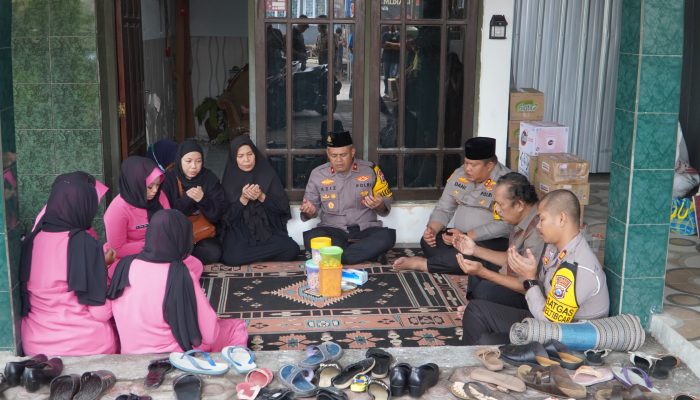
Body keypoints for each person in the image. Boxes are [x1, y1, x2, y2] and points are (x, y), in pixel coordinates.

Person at [462, 189, 610, 345]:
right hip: (546, 313)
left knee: (478, 320)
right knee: (486, 295)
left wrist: (530, 279)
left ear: (561, 219)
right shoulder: (555, 246)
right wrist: (526, 274)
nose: (538, 226)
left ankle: (472, 355)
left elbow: (550, 324)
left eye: (542, 219)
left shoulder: (576, 266)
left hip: (566, 338)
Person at [109, 209, 248, 354]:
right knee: (235, 327)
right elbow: (210, 334)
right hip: (174, 356)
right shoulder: (180, 274)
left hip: (130, 353)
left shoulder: (124, 266)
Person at [20, 178, 117, 356]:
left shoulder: (31, 241)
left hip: (36, 346)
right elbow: (101, 313)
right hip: (87, 345)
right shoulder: (84, 244)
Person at [393, 137, 511, 277]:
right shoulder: (459, 174)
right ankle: (452, 262)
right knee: (428, 242)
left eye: (473, 165)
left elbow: (506, 225)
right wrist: (432, 229)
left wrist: (468, 236)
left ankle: (422, 264)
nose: (467, 168)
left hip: (490, 242)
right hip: (459, 236)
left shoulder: (507, 182)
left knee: (468, 256)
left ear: (490, 166)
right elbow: (444, 208)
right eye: (466, 163)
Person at [301, 131, 396, 265]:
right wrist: (308, 211)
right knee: (312, 237)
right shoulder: (317, 174)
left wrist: (379, 205)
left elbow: (385, 205)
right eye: (334, 155)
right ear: (328, 154)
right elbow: (309, 208)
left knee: (387, 237)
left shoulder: (370, 170)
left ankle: (339, 256)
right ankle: (365, 254)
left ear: (352, 152)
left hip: (365, 229)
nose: (338, 160)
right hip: (333, 229)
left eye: (343, 155)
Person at [452, 172, 544, 309]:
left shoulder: (537, 230)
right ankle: (476, 307)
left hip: (533, 295)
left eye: (501, 205)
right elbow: (511, 259)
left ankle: (478, 309)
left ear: (519, 205)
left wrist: (484, 272)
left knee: (485, 289)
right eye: (496, 204)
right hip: (517, 278)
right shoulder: (522, 218)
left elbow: (526, 285)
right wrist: (474, 250)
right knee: (477, 260)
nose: (497, 210)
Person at [220, 135, 299, 265]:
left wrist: (262, 197)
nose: (246, 160)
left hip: (266, 231)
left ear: (255, 154)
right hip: (240, 234)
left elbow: (282, 208)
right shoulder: (229, 181)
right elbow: (226, 219)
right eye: (240, 156)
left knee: (291, 249)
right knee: (231, 257)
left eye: (249, 154)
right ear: (234, 159)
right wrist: (243, 200)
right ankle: (265, 255)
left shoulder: (267, 174)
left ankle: (254, 255)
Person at [162, 141, 226, 265]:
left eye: (198, 161)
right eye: (188, 161)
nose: (194, 166)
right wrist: (187, 199)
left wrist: (203, 200)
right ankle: (181, 255)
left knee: (214, 252)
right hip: (176, 233)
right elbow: (165, 214)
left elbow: (218, 214)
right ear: (179, 160)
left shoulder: (209, 178)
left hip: (201, 233)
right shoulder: (169, 179)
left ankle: (179, 256)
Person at [104, 156, 171, 275]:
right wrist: (151, 245)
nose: (155, 190)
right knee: (156, 274)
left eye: (158, 185)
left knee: (193, 264)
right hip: (128, 258)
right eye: (150, 187)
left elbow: (170, 224)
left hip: (160, 250)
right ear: (135, 185)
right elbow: (117, 250)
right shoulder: (117, 210)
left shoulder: (160, 197)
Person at [381, 25, 400, 98]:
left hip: (395, 59)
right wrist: (394, 45)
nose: (392, 26)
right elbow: (383, 45)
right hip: (386, 59)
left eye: (394, 24)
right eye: (390, 24)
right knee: (386, 76)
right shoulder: (385, 34)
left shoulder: (399, 35)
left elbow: (399, 47)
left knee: (392, 76)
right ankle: (386, 92)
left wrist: (389, 44)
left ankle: (393, 94)